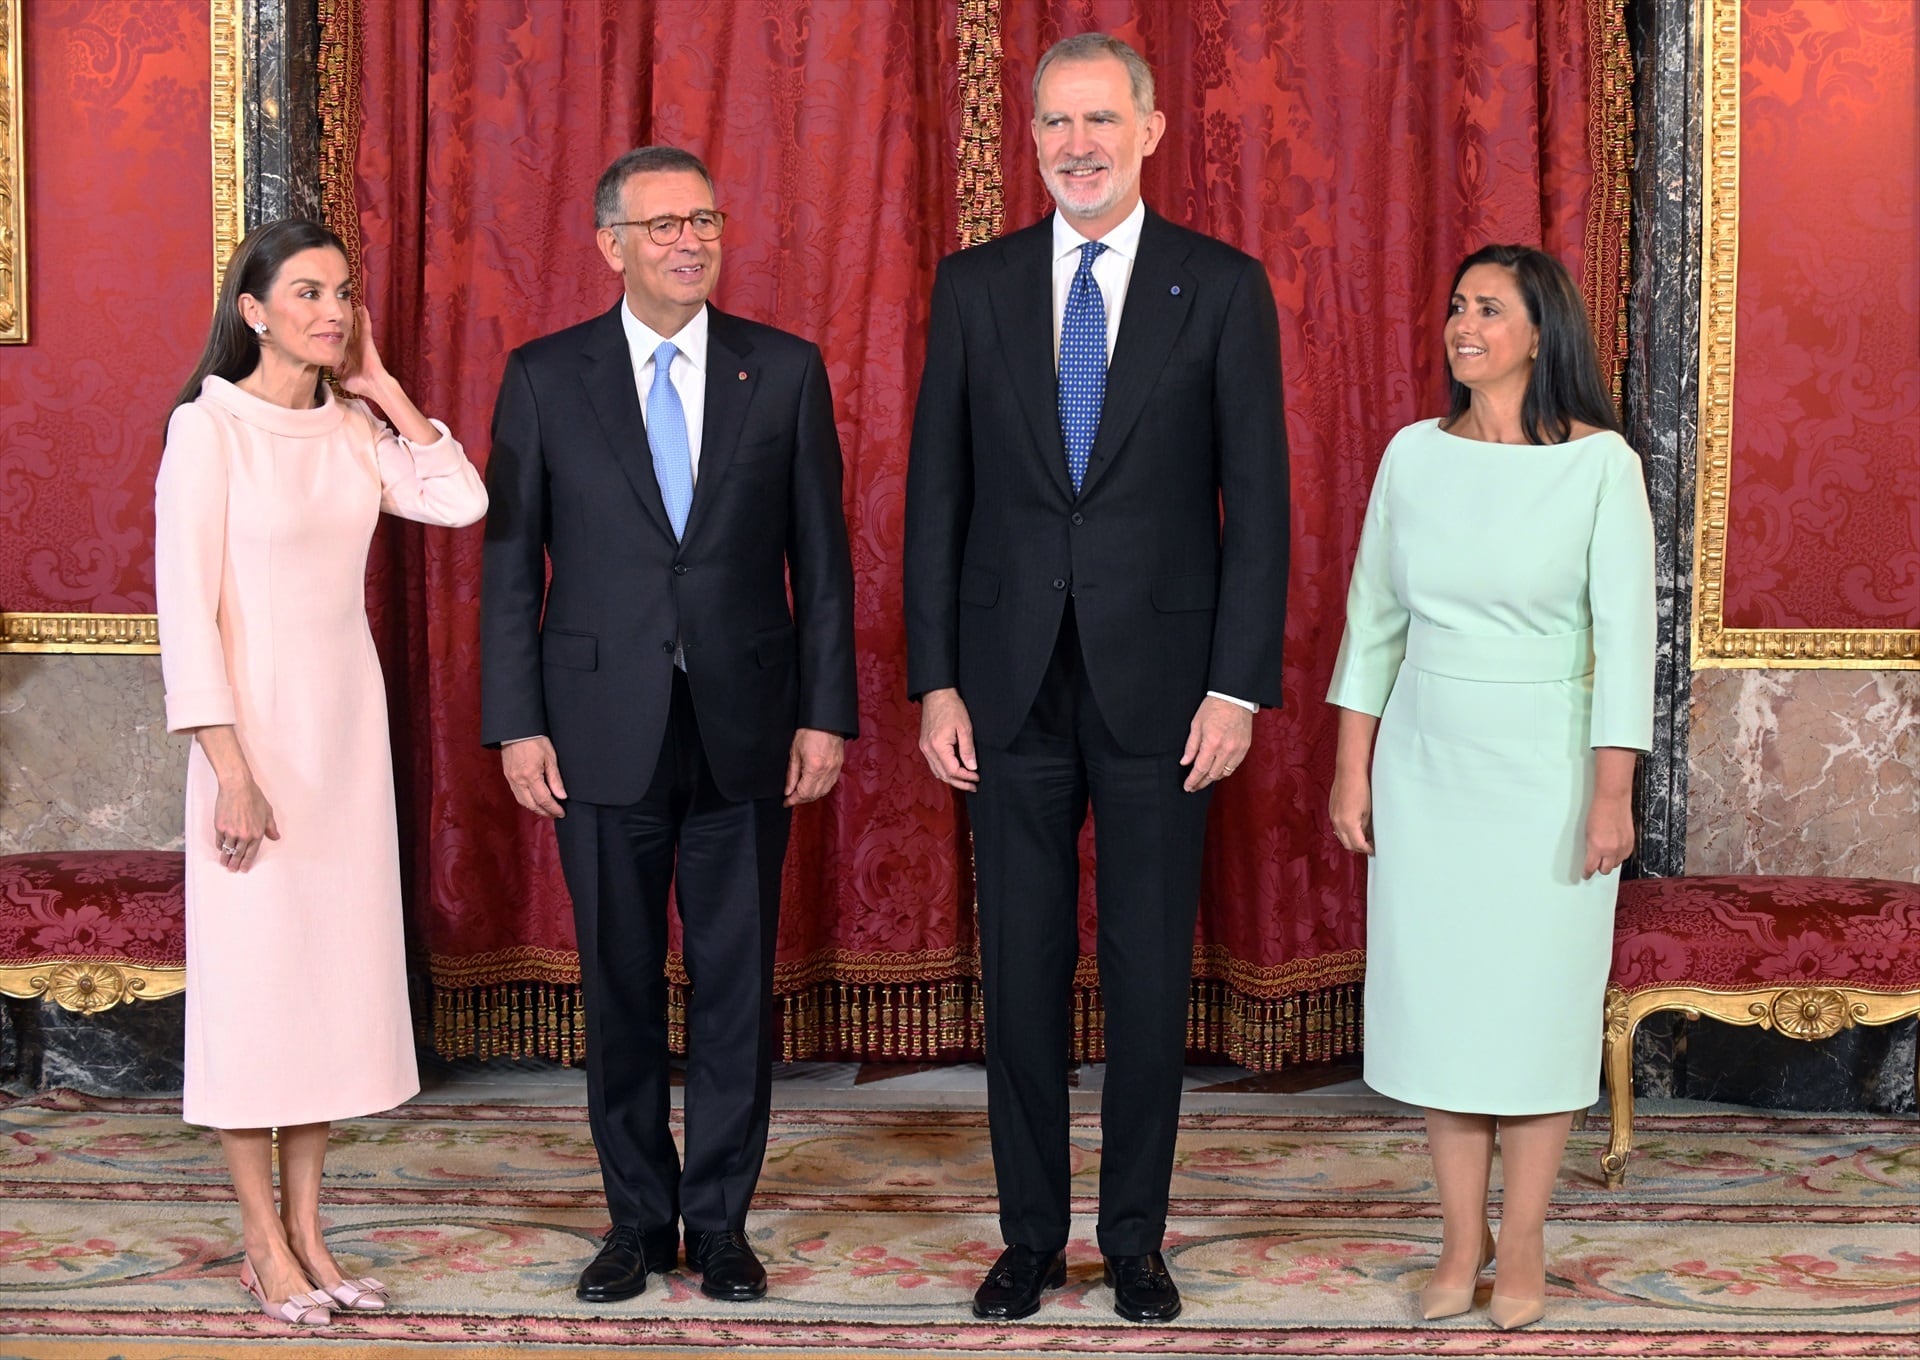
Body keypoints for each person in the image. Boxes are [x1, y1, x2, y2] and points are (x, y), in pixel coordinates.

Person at [904, 33, 1288, 1325]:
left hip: (1166, 695)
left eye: (1101, 120)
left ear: (1152, 128)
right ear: (1034, 137)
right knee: (1019, 975)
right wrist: (935, 682)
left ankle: (1134, 1241)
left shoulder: (1222, 288)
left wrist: (1237, 687)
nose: (1078, 144)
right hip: (1007, 690)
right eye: (1056, 123)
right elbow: (935, 497)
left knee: (1142, 975)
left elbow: (1264, 508)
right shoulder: (974, 287)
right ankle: (1027, 1239)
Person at [479, 146, 857, 1305]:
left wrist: (825, 714)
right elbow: (507, 568)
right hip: (596, 726)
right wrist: (516, 724)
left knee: (738, 985)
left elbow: (824, 565)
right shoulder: (544, 375)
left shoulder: (783, 371)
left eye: (704, 220)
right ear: (611, 245)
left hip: (747, 722)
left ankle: (722, 1223)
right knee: (621, 981)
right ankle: (638, 1222)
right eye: (662, 226)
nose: (689, 242)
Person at [154, 218, 488, 1326]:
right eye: (307, 292)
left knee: (323, 995)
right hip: (250, 744)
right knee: (257, 996)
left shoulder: (350, 428)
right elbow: (186, 614)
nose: (333, 311)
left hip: (344, 742)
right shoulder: (209, 431)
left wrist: (388, 389)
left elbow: (461, 499)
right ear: (252, 311)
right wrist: (229, 767)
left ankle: (309, 1230)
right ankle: (261, 1240)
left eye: (344, 291)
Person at [1326, 244, 1655, 1330]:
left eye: (1490, 308)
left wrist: (1612, 793)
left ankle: (1524, 1240)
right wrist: (1351, 768)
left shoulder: (1601, 464)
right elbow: (1373, 623)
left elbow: (1627, 641)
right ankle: (1458, 1237)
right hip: (1428, 765)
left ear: (1540, 331)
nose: (1464, 324)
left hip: (1550, 774)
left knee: (1534, 1011)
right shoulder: (1411, 456)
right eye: (1457, 305)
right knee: (1448, 1012)